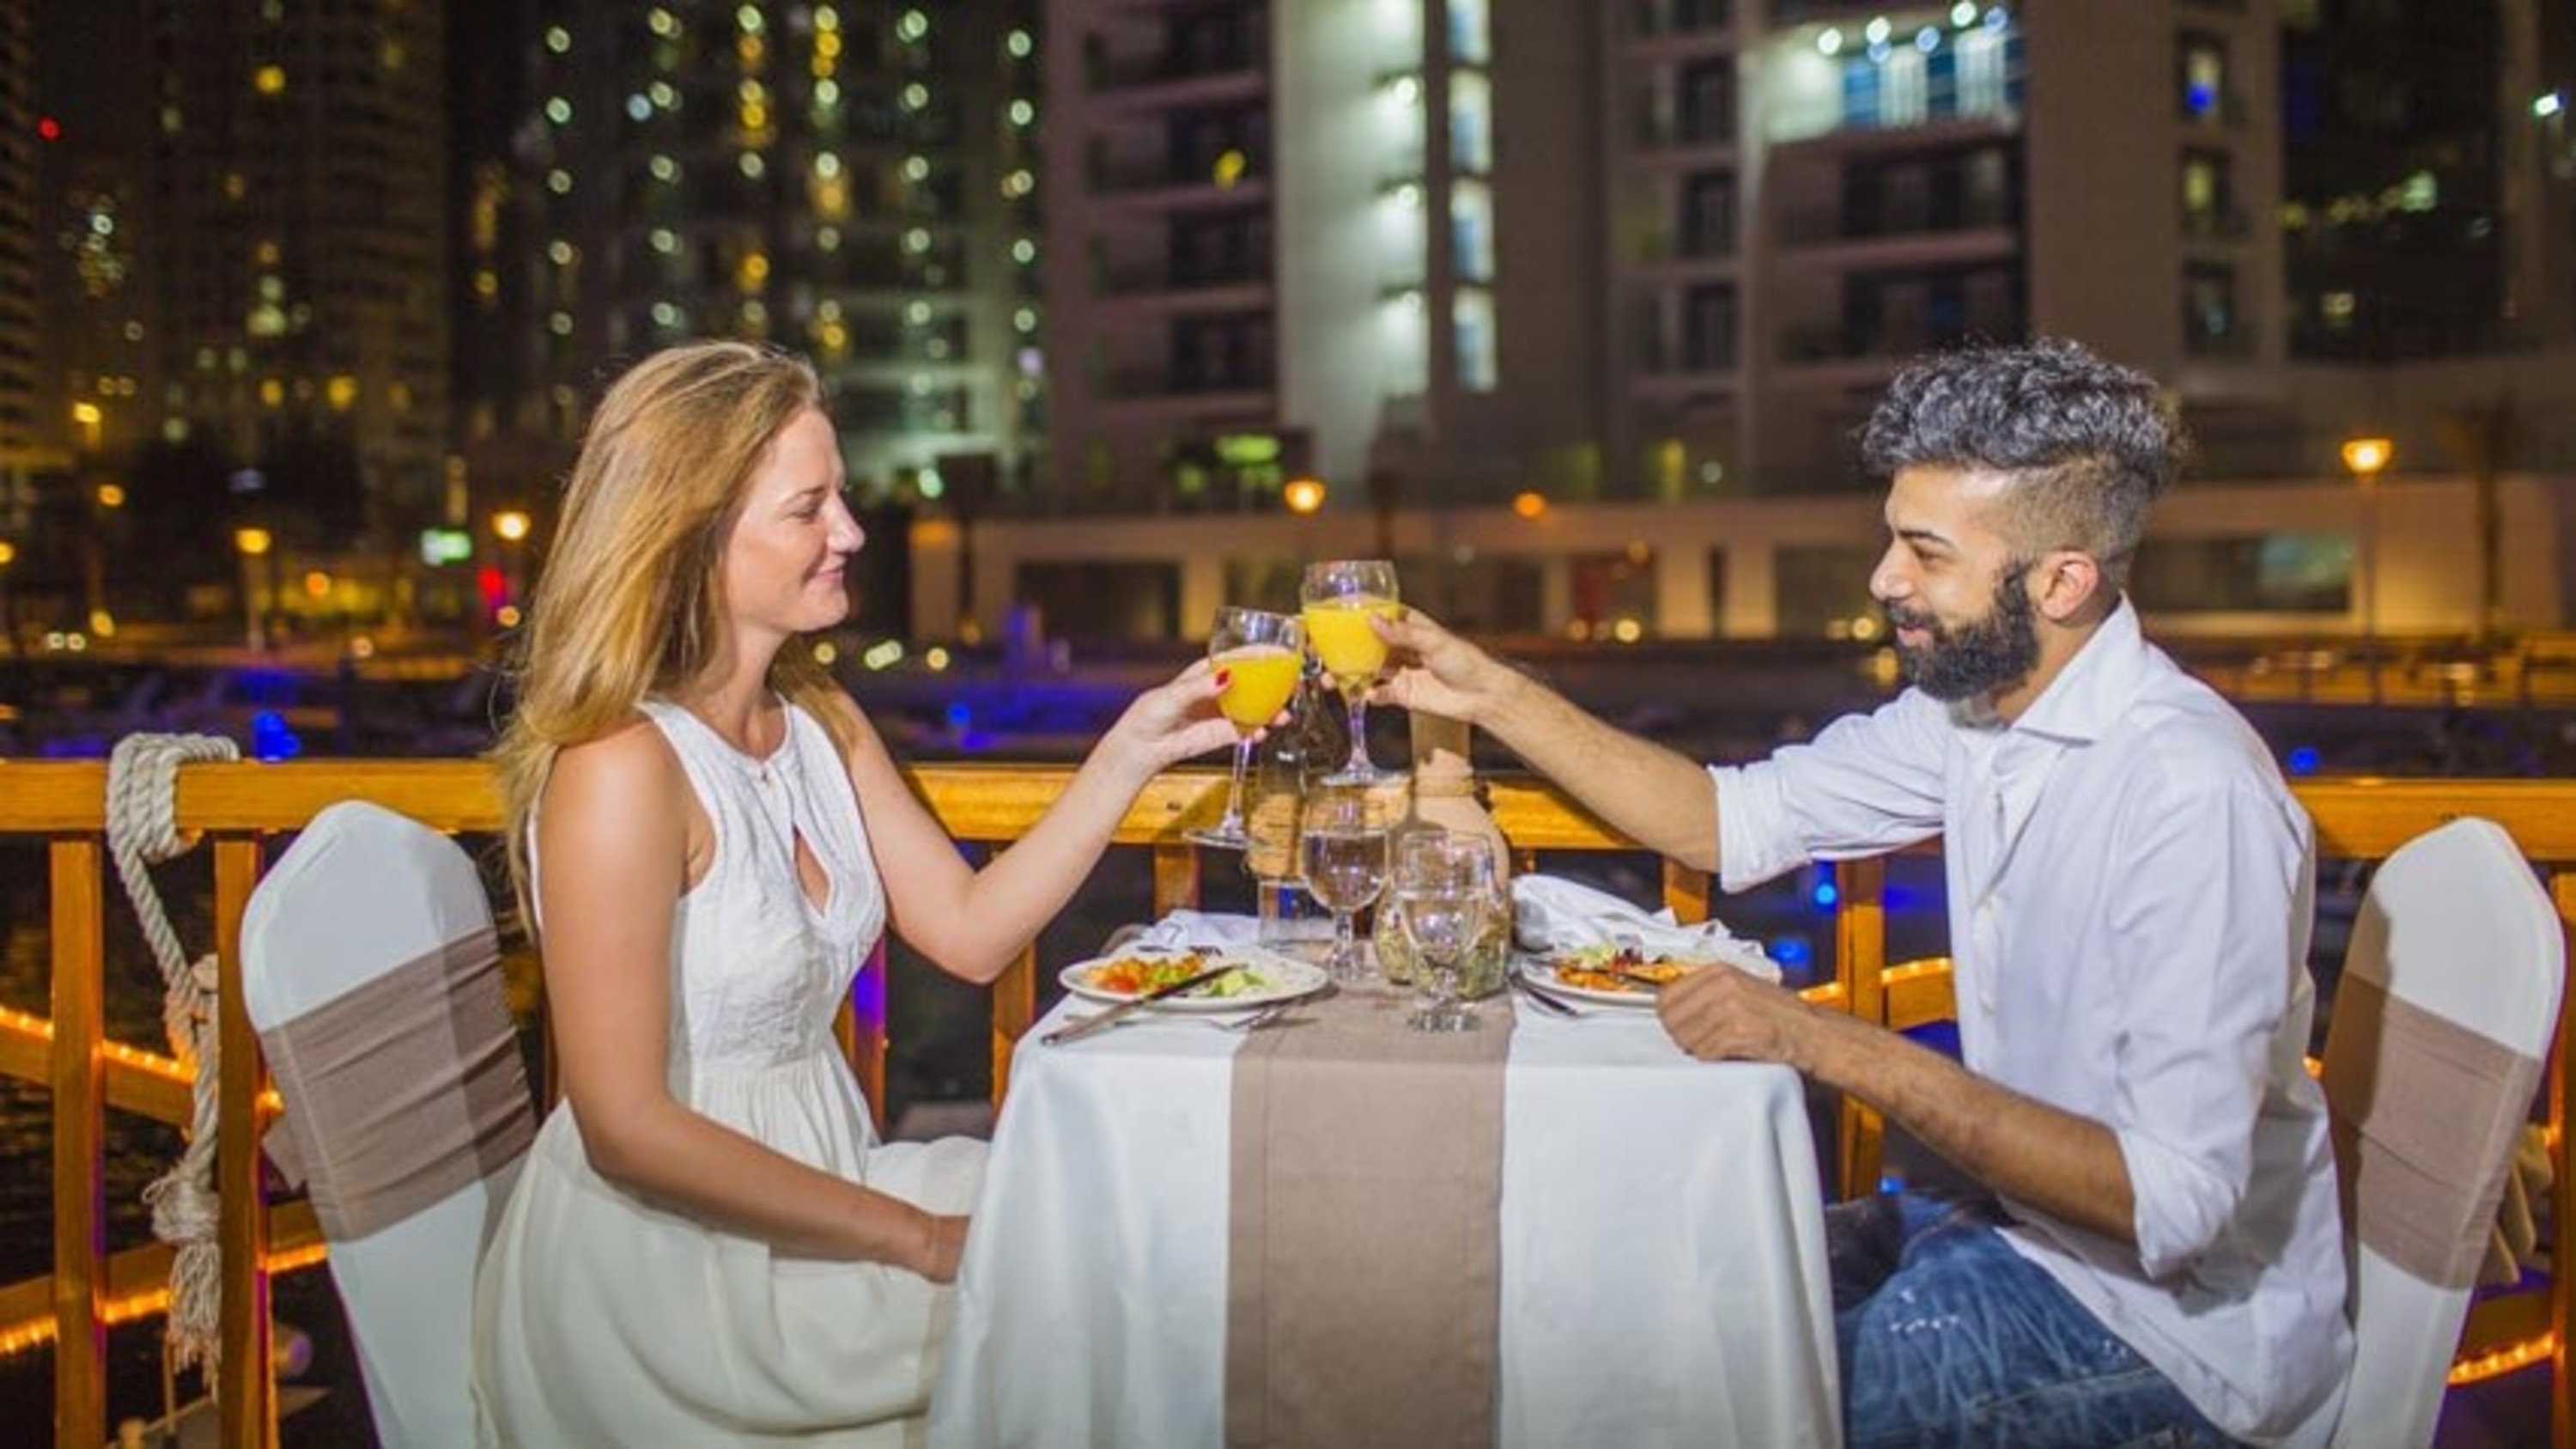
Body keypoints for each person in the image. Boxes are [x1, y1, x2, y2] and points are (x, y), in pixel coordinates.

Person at [1376, 338, 2350, 1447]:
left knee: (1699, 1410)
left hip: (2182, 1345)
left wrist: (1824, 1039)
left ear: (2062, 581)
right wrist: (1492, 693)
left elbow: (2171, 1206)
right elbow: (1724, 819)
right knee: (1648, 1304)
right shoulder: (1978, 715)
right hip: (2021, 1235)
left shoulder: (2189, 793)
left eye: (1925, 552)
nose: (1885, 578)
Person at [471, 340, 1244, 1445]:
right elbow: (626, 1129)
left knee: (1123, 1224)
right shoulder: (620, 768)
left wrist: (1130, 751)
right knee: (1073, 1314)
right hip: (672, 1275)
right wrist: (918, 1239)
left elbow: (971, 934)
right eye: (808, 508)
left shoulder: (820, 721)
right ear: (692, 536)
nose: (851, 530)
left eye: (840, 495)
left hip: (827, 1186)